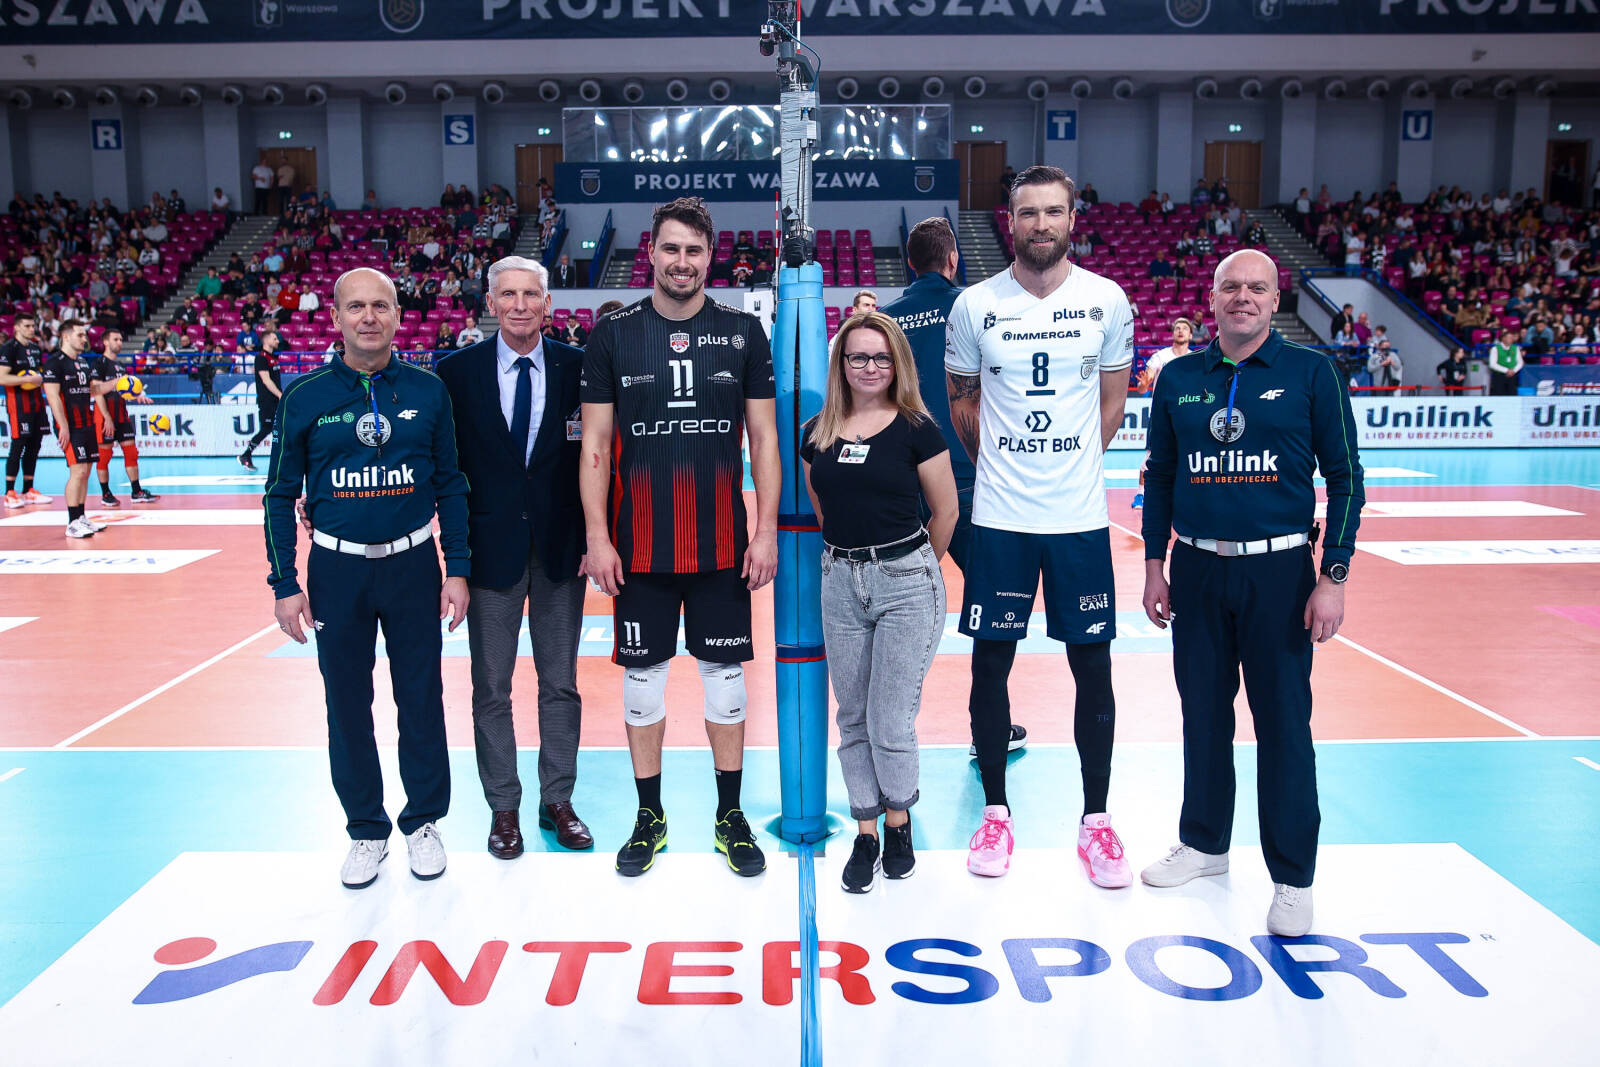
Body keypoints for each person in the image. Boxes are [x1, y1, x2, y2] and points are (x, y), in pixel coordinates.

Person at [1139, 248, 1363, 937]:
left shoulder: (1313, 372)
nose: (1243, 297)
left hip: (1280, 572)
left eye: (1257, 288)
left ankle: (1293, 877)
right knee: (1203, 716)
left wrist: (1333, 575)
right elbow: (1161, 475)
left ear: (1275, 299)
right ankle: (1205, 843)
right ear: (1211, 298)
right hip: (1198, 569)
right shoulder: (1179, 377)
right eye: (1231, 286)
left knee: (1283, 725)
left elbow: (1345, 479)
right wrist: (1154, 564)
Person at [945, 165, 1135, 885]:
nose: (1041, 224)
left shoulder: (1106, 300)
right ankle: (995, 813)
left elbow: (1111, 403)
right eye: (1028, 213)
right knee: (990, 664)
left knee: (1094, 667)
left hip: (1078, 519)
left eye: (1053, 211)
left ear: (1072, 219)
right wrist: (1002, 464)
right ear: (1011, 221)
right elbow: (963, 403)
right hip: (1000, 518)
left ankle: (1097, 821)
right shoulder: (974, 305)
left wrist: (1071, 462)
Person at [580, 197, 780, 879]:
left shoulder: (743, 332)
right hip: (638, 548)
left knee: (725, 682)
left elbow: (764, 439)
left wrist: (765, 531)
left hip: (723, 546)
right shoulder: (613, 335)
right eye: (671, 248)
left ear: (711, 256)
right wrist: (598, 536)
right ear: (652, 252)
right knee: (643, 683)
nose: (682, 261)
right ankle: (650, 815)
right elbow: (596, 444)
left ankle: (729, 814)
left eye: (694, 250)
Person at [264, 267, 470, 889]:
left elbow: (451, 483)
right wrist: (284, 582)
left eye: (381, 305)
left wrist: (457, 568)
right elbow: (279, 494)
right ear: (336, 318)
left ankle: (424, 822)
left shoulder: (429, 391)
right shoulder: (304, 397)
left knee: (421, 698)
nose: (369, 317)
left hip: (412, 565)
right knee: (347, 704)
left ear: (399, 315)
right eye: (356, 307)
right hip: (336, 571)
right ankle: (365, 830)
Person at [436, 257, 594, 858]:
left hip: (561, 552)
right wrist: (454, 560)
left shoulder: (580, 367)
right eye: (508, 294)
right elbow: (444, 470)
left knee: (560, 685)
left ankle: (558, 800)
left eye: (531, 294)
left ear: (548, 304)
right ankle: (503, 808)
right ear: (490, 303)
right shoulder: (456, 373)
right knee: (491, 688)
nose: (520, 305)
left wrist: (596, 537)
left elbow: (599, 459)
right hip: (489, 554)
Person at [801, 311, 957, 893]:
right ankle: (865, 833)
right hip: (840, 580)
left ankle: (898, 824)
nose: (870, 367)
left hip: (906, 581)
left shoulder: (919, 429)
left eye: (882, 358)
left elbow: (946, 512)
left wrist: (911, 573)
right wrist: (855, 562)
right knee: (852, 716)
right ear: (841, 364)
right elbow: (823, 506)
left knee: (890, 718)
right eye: (859, 357)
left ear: (898, 364)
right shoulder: (816, 433)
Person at [882, 215, 1027, 757]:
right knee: (992, 605)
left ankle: (889, 735)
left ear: (909, 263)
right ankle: (989, 728)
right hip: (968, 480)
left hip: (899, 483)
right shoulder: (974, 308)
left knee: (893, 610)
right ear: (952, 260)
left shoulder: (887, 322)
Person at [42, 320, 115, 538]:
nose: (85, 339)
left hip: (86, 423)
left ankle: (81, 517)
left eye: (85, 335)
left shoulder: (83, 363)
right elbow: (52, 396)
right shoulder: (54, 363)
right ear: (66, 337)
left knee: (86, 472)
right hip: (70, 425)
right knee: (78, 472)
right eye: (80, 335)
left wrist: (117, 382)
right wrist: (63, 426)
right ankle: (72, 522)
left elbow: (93, 390)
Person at [1132, 317, 1196, 510]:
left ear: (1190, 335)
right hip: (1161, 415)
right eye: (1177, 328)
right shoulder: (1160, 357)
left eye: (1184, 328)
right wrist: (1144, 385)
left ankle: (1184, 494)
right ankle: (1141, 494)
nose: (1180, 331)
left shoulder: (1194, 359)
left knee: (1187, 454)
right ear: (1173, 333)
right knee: (1152, 455)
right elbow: (1143, 386)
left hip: (1186, 415)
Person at [90, 329, 158, 506]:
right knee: (104, 456)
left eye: (121, 339)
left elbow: (125, 390)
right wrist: (106, 417)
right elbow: (96, 391)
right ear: (106, 342)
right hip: (104, 415)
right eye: (116, 339)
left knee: (131, 452)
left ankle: (136, 491)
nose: (119, 342)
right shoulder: (98, 364)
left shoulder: (120, 366)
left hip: (121, 414)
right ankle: (106, 494)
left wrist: (137, 396)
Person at [2, 312, 54, 508]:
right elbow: (2, 377)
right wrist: (26, 379)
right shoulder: (8, 349)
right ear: (16, 327)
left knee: (34, 445)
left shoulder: (34, 348)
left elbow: (36, 374)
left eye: (33, 326)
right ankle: (9, 492)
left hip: (36, 402)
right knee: (18, 445)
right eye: (27, 326)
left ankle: (28, 489)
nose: (32, 329)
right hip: (18, 404)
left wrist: (38, 378)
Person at [238, 330, 283, 470]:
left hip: (275, 400)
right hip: (267, 400)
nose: (277, 341)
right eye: (275, 338)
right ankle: (246, 455)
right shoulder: (261, 358)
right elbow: (266, 380)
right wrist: (280, 395)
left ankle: (283, 460)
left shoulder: (273, 357)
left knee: (280, 428)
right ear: (267, 340)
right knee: (267, 428)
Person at [1488, 328, 1523, 395]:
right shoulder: (1495, 349)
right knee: (1499, 394)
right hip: (1499, 376)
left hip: (1512, 375)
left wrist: (1513, 371)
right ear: (1503, 338)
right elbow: (1492, 364)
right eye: (1509, 338)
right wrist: (1506, 370)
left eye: (1512, 338)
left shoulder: (1516, 348)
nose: (1512, 339)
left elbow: (1520, 362)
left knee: (1512, 394)